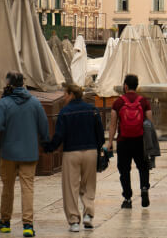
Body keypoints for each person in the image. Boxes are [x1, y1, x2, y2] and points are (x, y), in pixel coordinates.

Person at [0, 71, 49, 238]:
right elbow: (44, 126)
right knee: (28, 188)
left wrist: (4, 127)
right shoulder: (35, 103)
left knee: (7, 187)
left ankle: (5, 222)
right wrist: (44, 142)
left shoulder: (4, 102)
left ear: (8, 84)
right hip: (30, 152)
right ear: (23, 83)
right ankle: (28, 225)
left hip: (8, 152)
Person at [44, 84, 104, 233]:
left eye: (65, 94)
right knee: (89, 185)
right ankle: (88, 215)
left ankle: (74, 221)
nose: (64, 97)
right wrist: (96, 147)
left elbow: (59, 135)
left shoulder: (65, 112)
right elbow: (101, 134)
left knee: (71, 187)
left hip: (71, 152)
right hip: (90, 151)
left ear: (71, 94)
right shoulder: (93, 110)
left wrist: (50, 147)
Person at [107, 74, 153, 209]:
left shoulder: (118, 102)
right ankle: (144, 188)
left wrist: (110, 142)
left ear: (125, 86)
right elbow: (149, 123)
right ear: (136, 86)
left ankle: (127, 198)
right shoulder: (144, 101)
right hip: (140, 141)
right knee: (143, 167)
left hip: (124, 141)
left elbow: (113, 124)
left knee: (124, 170)